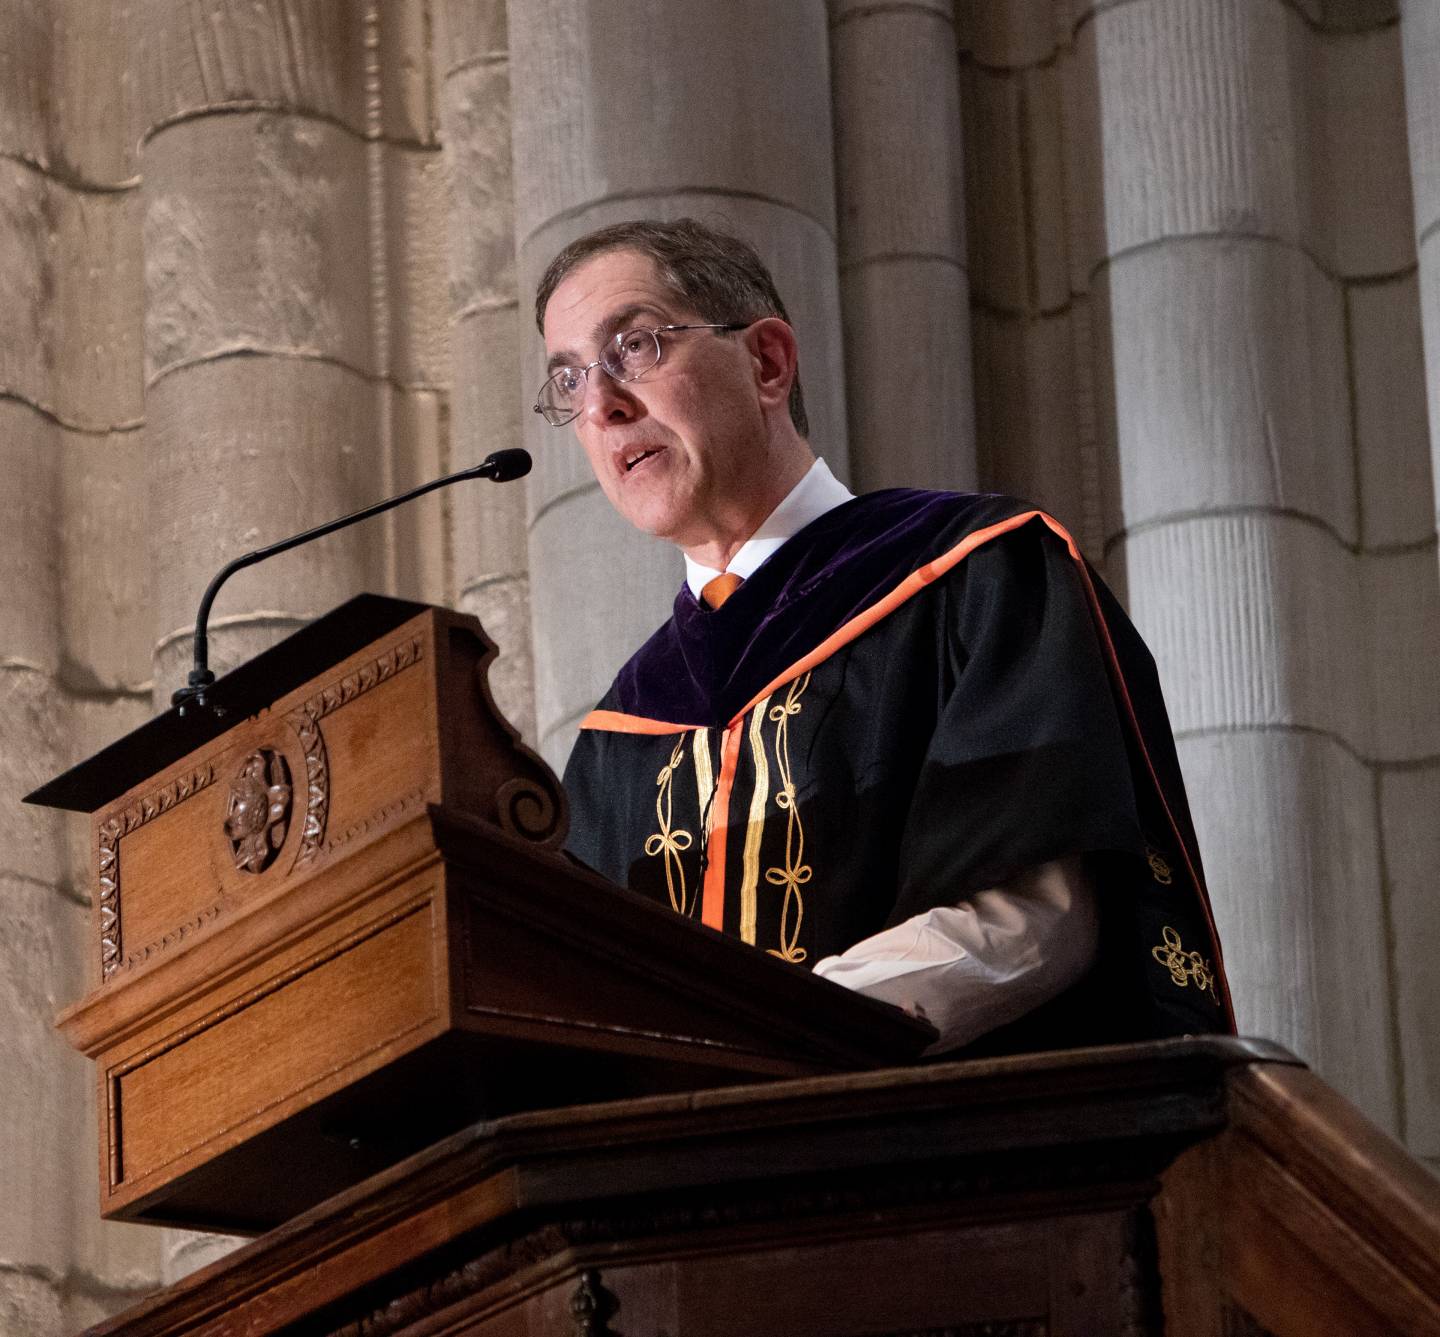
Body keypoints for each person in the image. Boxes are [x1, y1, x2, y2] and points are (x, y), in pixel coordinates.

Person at [536, 217, 1232, 1055]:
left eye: (637, 347)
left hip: (947, 1159)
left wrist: (755, 1039)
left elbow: (1038, 916)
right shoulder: (620, 737)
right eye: (569, 380)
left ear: (767, 363)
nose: (602, 405)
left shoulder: (975, 576)